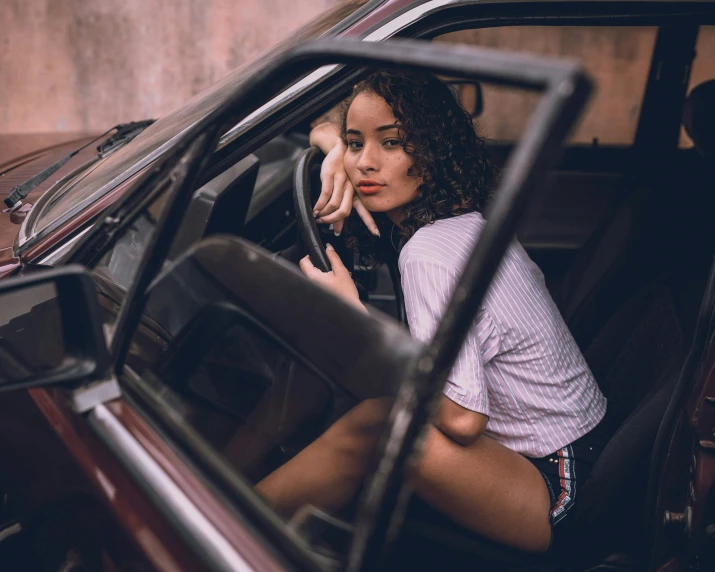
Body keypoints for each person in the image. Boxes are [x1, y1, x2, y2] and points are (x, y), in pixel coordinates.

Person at [256, 71, 608, 554]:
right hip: (581, 454)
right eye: (356, 145)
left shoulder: (428, 253)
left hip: (558, 487)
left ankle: (213, 528)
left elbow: (462, 421)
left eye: (394, 143)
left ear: (434, 152)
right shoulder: (463, 223)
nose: (366, 164)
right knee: (326, 378)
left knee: (381, 426)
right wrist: (332, 145)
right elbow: (332, 129)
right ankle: (221, 488)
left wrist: (351, 316)